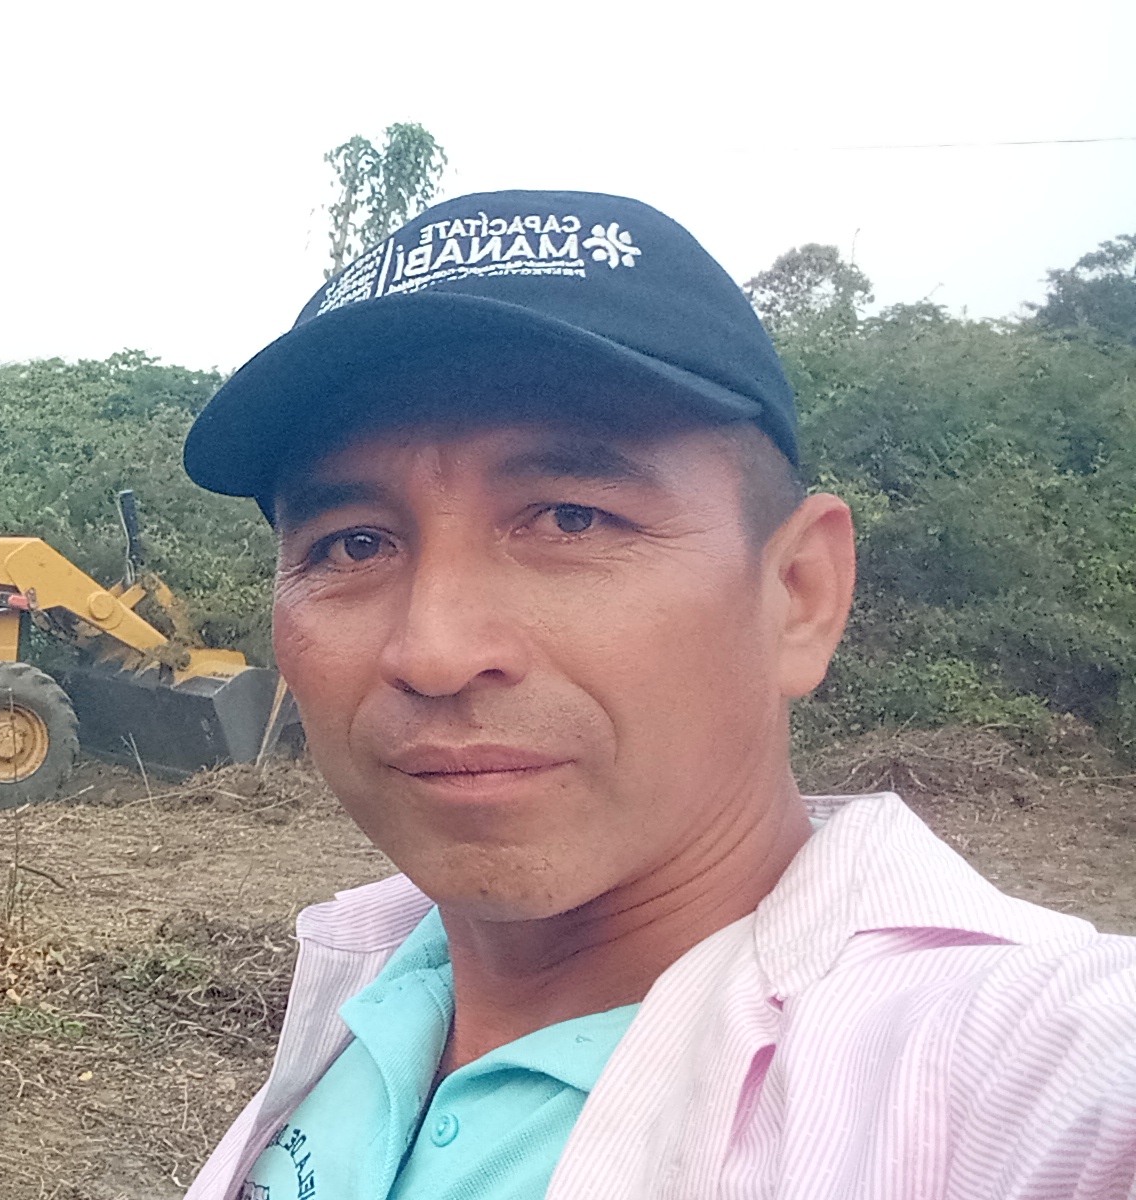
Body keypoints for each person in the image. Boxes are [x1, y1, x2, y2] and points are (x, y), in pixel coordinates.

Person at [176, 191, 1136, 1199]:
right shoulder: (383, 976)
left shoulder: (1017, 1063)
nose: (435, 652)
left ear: (799, 596)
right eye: (354, 544)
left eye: (572, 519)